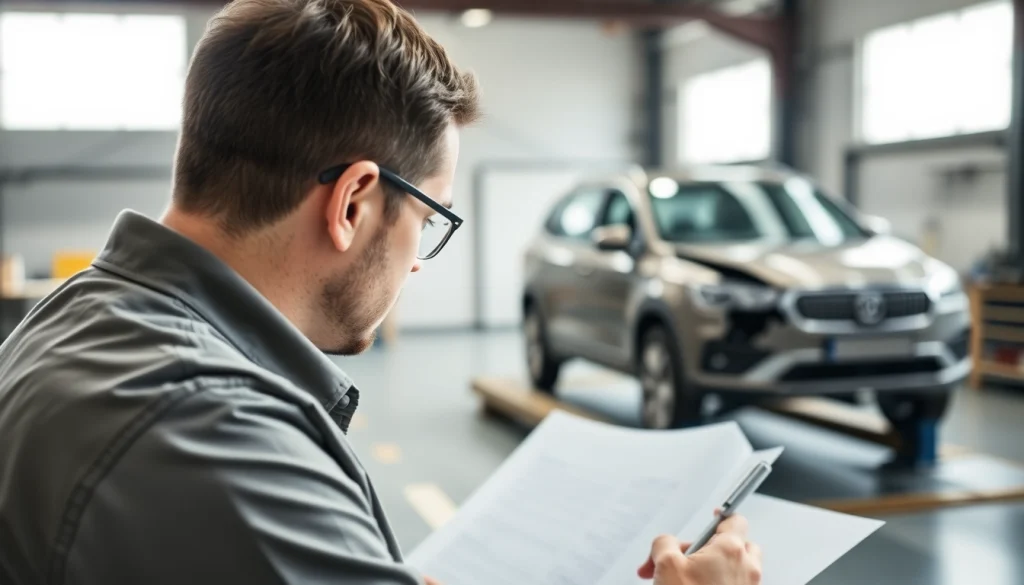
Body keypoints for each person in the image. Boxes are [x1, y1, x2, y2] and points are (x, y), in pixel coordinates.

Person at [0, 1, 763, 584]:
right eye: (429, 219)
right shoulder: (211, 429)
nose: (421, 262)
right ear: (354, 203)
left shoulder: (77, 317)